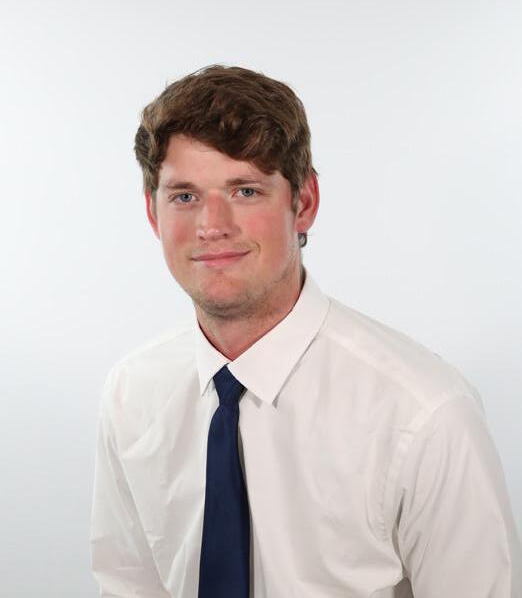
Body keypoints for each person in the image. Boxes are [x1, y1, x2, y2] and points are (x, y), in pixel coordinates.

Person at [89, 65, 522, 598]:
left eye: (245, 190)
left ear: (305, 203)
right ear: (153, 214)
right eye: (184, 196)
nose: (212, 225)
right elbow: (129, 587)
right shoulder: (132, 394)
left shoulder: (424, 415)